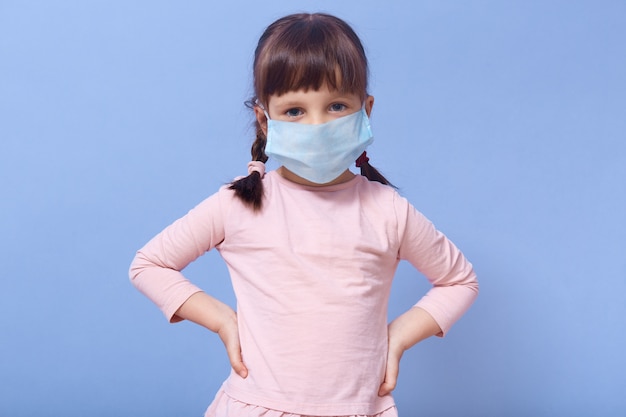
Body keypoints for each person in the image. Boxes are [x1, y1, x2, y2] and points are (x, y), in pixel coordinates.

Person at [129, 12, 478, 417]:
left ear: (365, 110)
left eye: (336, 106)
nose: (317, 125)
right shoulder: (240, 203)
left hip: (358, 407)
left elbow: (459, 281)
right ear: (264, 120)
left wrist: (398, 336)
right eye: (295, 111)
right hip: (255, 406)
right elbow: (149, 264)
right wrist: (223, 320)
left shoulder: (388, 211)